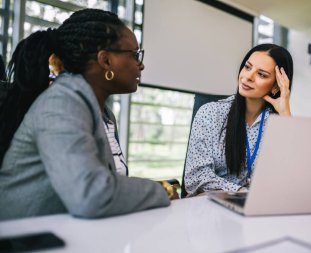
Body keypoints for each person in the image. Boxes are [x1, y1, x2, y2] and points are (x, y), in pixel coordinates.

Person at [0, 8, 171, 220]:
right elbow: (92, 195)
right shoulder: (61, 103)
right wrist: (163, 190)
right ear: (106, 61)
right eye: (135, 54)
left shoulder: (103, 113)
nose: (141, 64)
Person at [184, 43, 293, 196]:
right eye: (247, 67)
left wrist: (285, 115)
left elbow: (293, 176)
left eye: (261, 74)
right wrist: (242, 193)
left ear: (276, 86)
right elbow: (196, 177)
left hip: (260, 208)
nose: (248, 77)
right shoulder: (211, 113)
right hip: (212, 205)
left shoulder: (278, 123)